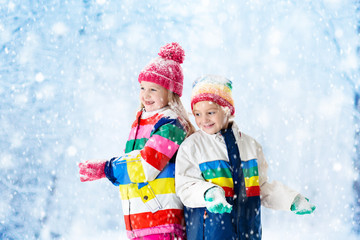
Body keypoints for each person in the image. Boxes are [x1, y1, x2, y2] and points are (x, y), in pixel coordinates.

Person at [175, 75, 316, 240]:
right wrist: (208, 194)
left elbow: (260, 187)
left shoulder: (250, 146)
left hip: (248, 233)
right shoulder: (193, 146)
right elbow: (185, 187)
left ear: (227, 110)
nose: (203, 120)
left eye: (210, 112)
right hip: (210, 233)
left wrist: (290, 199)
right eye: (197, 114)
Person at [78, 42, 195, 240]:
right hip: (141, 223)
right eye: (143, 87)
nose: (145, 95)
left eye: (154, 89)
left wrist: (106, 168)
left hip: (161, 222)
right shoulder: (141, 122)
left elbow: (145, 166)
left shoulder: (172, 125)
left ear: (170, 92)